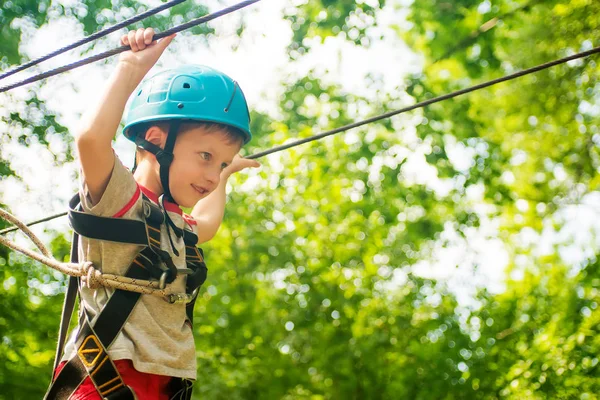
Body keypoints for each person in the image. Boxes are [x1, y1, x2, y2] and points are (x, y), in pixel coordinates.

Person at [47, 28, 260, 400]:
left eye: (220, 162)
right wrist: (131, 67)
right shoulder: (121, 199)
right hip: (104, 380)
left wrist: (227, 172)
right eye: (205, 156)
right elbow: (91, 140)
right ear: (158, 142)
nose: (211, 175)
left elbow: (207, 224)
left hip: (162, 387)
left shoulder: (174, 222)